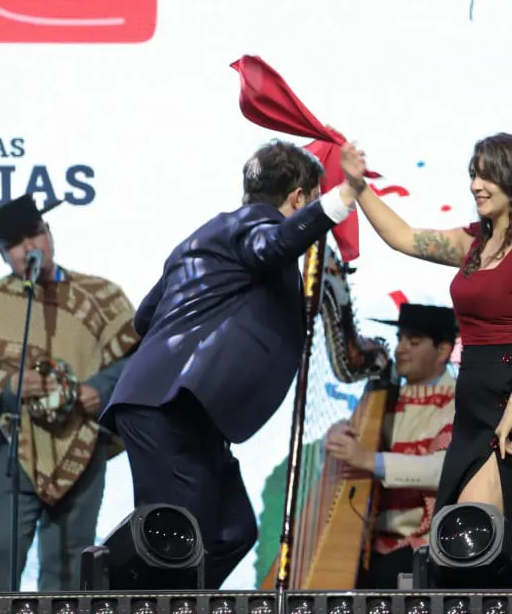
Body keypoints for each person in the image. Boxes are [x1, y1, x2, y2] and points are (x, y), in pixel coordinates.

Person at [103, 139, 367, 588]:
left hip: (186, 412)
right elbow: (272, 246)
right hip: (168, 409)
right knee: (179, 543)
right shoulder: (254, 225)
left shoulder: (205, 238)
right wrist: (345, 195)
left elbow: (144, 318)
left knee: (231, 532)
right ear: (299, 198)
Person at [355, 132, 512, 575]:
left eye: (487, 174)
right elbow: (403, 237)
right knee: (468, 539)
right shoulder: (474, 243)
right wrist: (359, 187)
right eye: (473, 174)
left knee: (497, 544)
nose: (476, 184)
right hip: (477, 400)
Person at [0, 194, 138, 592]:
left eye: (34, 235)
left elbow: (140, 358)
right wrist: (5, 387)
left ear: (49, 234)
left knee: (71, 571)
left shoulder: (101, 296)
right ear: (3, 255)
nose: (29, 248)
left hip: (81, 447)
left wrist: (101, 389)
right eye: (15, 244)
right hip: (13, 451)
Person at [323, 303, 458, 588]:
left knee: (380, 579)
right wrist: (339, 437)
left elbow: (443, 470)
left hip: (427, 545)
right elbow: (353, 455)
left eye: (414, 341)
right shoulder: (383, 397)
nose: (400, 350)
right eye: (399, 340)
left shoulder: (458, 402)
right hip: (373, 543)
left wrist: (369, 459)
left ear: (443, 352)